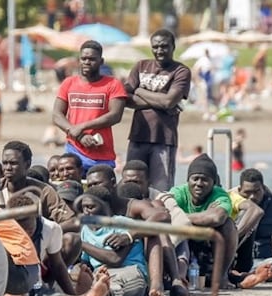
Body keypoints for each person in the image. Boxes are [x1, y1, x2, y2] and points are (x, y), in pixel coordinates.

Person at [123, 29, 192, 192]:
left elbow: (169, 101)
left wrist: (139, 91)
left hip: (164, 139)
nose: (159, 51)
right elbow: (125, 97)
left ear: (173, 47)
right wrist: (159, 100)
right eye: (155, 47)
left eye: (164, 46)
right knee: (131, 188)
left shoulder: (181, 71)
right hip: (137, 137)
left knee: (161, 191)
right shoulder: (140, 66)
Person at [52, 40, 127, 172]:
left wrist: (82, 127)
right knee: (72, 190)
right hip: (74, 151)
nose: (87, 62)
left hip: (102, 153)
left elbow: (115, 115)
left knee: (100, 191)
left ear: (101, 61)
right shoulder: (68, 83)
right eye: (84, 58)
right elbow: (57, 115)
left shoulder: (113, 84)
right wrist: (79, 135)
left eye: (92, 59)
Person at [169, 154, 237, 289]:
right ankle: (175, 276)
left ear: (214, 183)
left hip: (208, 240)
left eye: (205, 180)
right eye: (195, 179)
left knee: (228, 225)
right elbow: (167, 215)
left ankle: (220, 276)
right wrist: (204, 215)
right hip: (184, 240)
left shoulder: (220, 194)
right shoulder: (178, 193)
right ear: (188, 180)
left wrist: (182, 215)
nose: (199, 184)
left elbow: (217, 218)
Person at [226, 169, 272, 288]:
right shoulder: (230, 200)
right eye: (247, 192)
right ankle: (248, 275)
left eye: (257, 192)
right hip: (236, 259)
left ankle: (255, 275)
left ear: (263, 188)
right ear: (239, 190)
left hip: (264, 259)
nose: (252, 197)